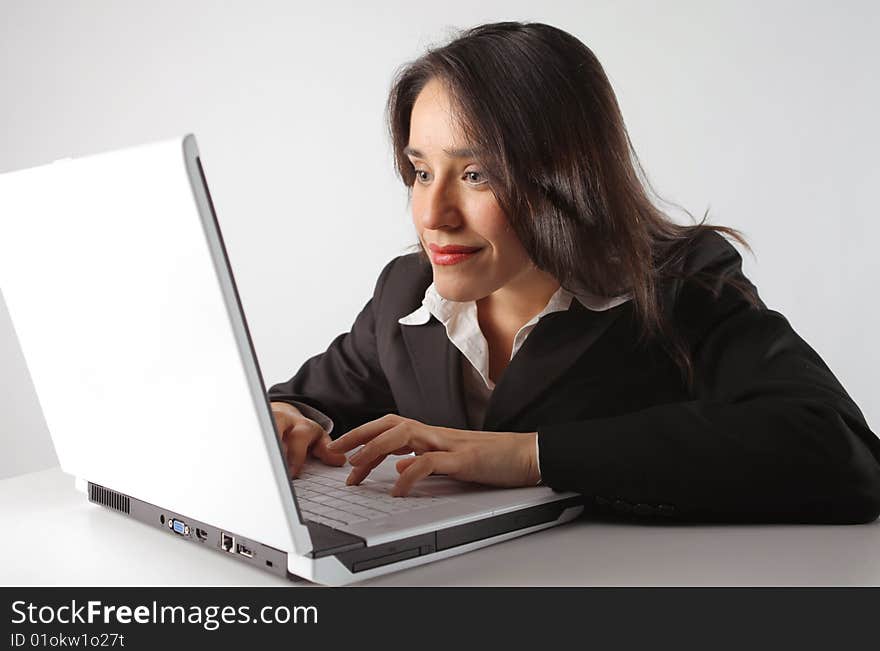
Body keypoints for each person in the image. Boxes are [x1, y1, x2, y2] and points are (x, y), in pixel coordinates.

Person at [267, 21, 880, 523]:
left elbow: (839, 450)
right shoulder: (404, 291)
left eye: (476, 174)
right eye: (422, 171)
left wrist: (534, 456)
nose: (432, 215)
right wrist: (288, 416)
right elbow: (311, 397)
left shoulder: (681, 284)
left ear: (565, 176)